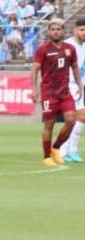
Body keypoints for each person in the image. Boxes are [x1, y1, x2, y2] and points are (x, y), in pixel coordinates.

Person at [32, 19, 81, 167]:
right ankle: (46, 156)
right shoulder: (43, 48)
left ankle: (56, 148)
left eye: (58, 29)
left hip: (65, 92)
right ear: (49, 31)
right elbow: (35, 69)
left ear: (63, 30)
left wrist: (80, 85)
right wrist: (34, 90)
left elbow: (75, 67)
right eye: (53, 29)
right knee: (49, 124)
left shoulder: (70, 48)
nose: (55, 32)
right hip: (49, 93)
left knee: (71, 119)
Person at [59, 20, 85, 163]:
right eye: (81, 29)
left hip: (79, 85)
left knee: (76, 118)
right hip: (68, 84)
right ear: (75, 30)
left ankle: (65, 150)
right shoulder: (68, 46)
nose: (84, 33)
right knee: (80, 116)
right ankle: (70, 150)